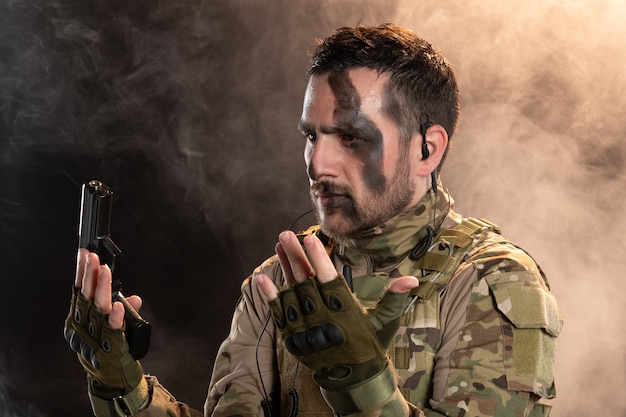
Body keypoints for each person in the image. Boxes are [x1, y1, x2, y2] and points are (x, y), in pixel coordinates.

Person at [64, 23, 563, 417]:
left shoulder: (496, 283)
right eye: (311, 135)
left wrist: (363, 387)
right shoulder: (280, 279)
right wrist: (121, 386)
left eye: (351, 137)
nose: (318, 164)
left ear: (427, 149)